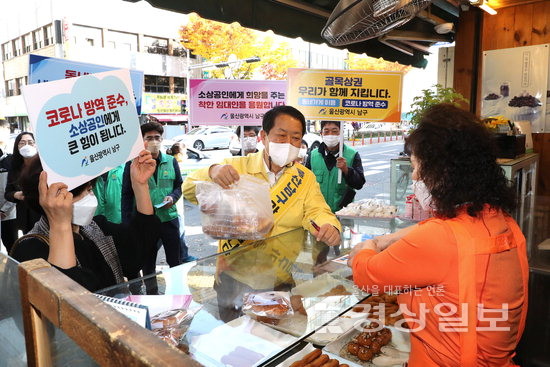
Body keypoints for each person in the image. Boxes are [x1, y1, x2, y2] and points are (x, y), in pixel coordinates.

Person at [349, 104, 528, 366]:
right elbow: (442, 230)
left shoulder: (441, 238)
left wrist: (368, 245)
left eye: (415, 166)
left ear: (441, 172)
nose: (414, 175)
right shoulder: (502, 220)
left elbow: (367, 276)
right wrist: (387, 240)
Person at [184, 105, 341, 321]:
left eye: (295, 138)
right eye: (281, 135)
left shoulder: (304, 178)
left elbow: (317, 210)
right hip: (234, 277)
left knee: (278, 340)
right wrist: (212, 172)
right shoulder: (236, 166)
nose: (288, 144)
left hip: (281, 277)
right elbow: (190, 189)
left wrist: (329, 226)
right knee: (235, 340)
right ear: (263, 136)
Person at [9, 150, 161, 292]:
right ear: (47, 199)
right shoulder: (30, 249)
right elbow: (66, 298)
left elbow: (137, 252)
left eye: (89, 189)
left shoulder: (95, 228)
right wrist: (60, 225)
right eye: (79, 193)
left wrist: (140, 186)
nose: (90, 197)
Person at [122, 122, 193, 292]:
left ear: (162, 139)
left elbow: (179, 185)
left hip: (168, 218)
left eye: (157, 138)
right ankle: (152, 294)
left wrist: (173, 197)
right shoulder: (133, 165)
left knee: (175, 261)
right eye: (149, 138)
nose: (154, 141)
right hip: (145, 223)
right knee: (148, 263)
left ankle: (177, 291)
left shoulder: (170, 161)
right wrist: (127, 223)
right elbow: (126, 194)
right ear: (142, 141)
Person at [306, 120, 365, 257]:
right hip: (318, 214)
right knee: (319, 252)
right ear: (321, 133)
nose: (330, 135)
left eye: (334, 131)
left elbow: (359, 183)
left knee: (343, 253)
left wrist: (346, 170)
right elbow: (305, 182)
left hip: (342, 214)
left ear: (341, 133)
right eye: (326, 131)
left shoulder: (352, 154)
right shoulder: (313, 155)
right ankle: (319, 275)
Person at [4, 132, 41, 246]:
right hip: (25, 217)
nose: (27, 146)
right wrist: (17, 195)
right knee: (32, 246)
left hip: (43, 213)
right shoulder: (14, 167)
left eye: (30, 142)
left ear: (36, 145)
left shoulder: (43, 165)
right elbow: (8, 193)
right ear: (17, 146)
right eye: (22, 143)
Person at [0, 119, 16, 252]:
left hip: (8, 213)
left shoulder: (12, 157)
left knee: (12, 245)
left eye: (5, 131)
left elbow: (16, 187)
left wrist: (5, 209)